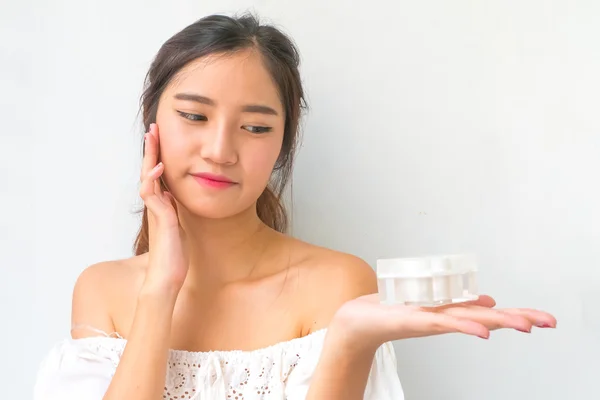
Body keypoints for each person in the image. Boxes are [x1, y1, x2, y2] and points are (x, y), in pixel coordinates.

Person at [33, 13, 557, 400]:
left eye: (256, 127)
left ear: (281, 146)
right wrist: (160, 288)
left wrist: (350, 342)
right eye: (194, 116)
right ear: (153, 126)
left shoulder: (335, 284)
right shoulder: (103, 291)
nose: (220, 149)